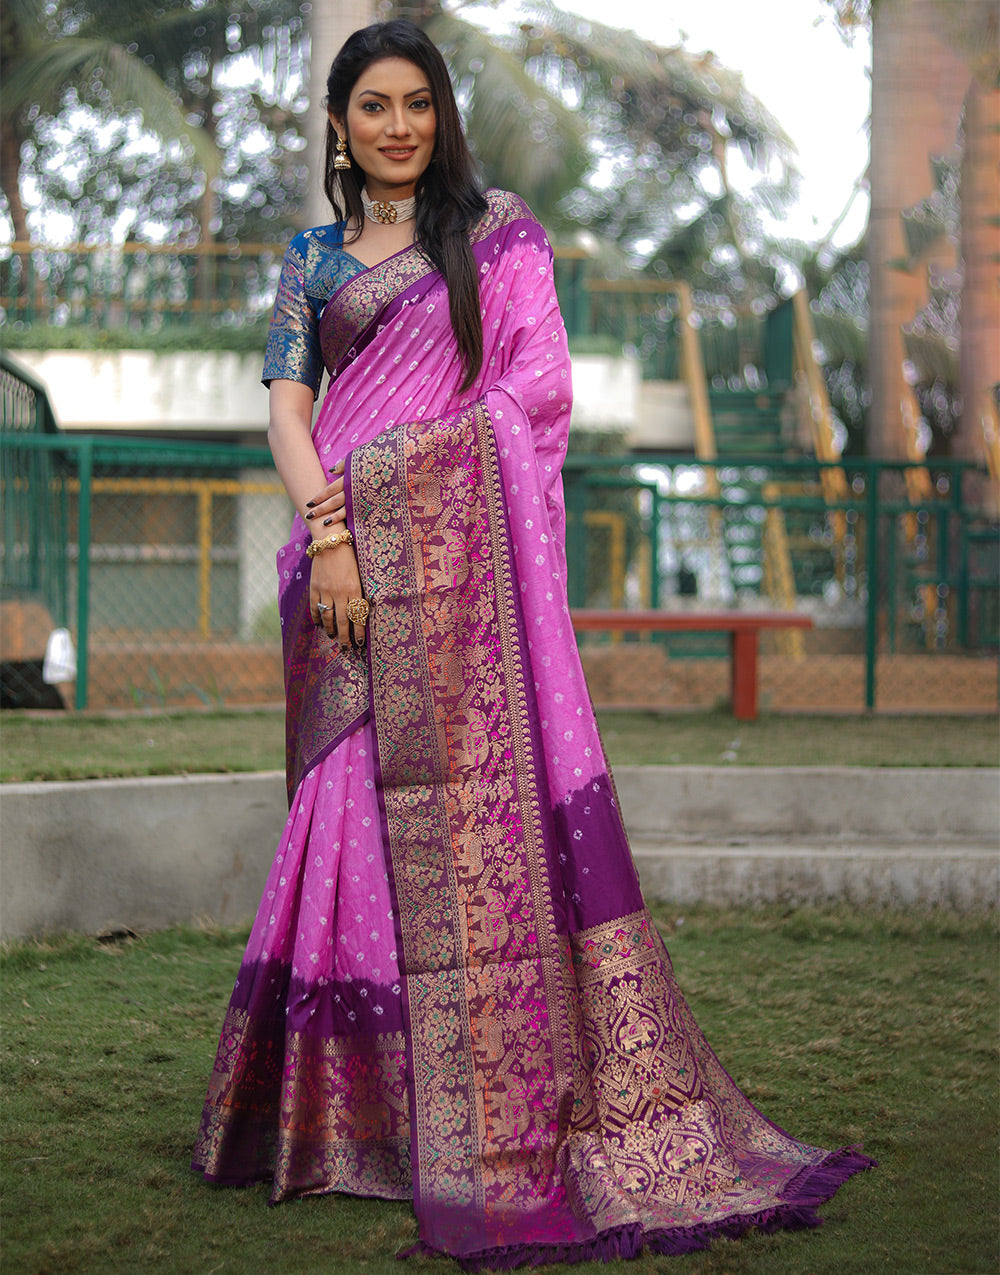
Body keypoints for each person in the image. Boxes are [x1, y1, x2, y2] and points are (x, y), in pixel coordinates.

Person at [193, 19, 874, 1268]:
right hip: (345, 566)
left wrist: (391, 479)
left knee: (468, 823)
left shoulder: (494, 232)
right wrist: (333, 531)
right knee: (342, 812)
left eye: (414, 104)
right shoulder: (307, 262)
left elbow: (536, 390)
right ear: (339, 126)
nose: (394, 126)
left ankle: (485, 1115)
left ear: (440, 115)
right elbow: (290, 411)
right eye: (370, 108)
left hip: (461, 583)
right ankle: (357, 1126)